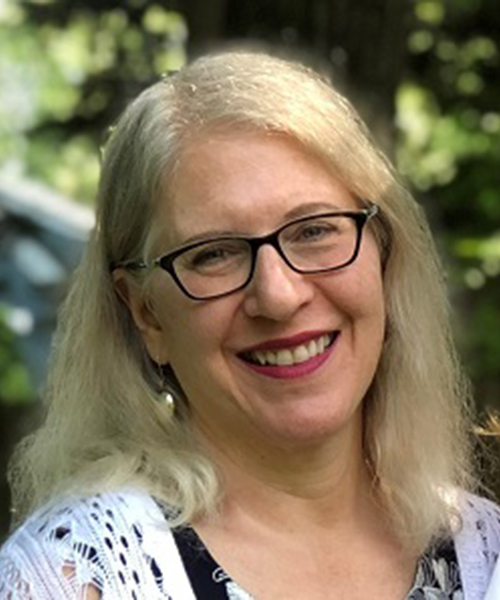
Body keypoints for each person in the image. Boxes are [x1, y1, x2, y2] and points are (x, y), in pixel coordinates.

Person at [0, 49, 499, 600]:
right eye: (214, 254)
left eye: (314, 231)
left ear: (383, 254)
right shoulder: (75, 580)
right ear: (146, 313)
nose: (279, 296)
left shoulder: (485, 552)